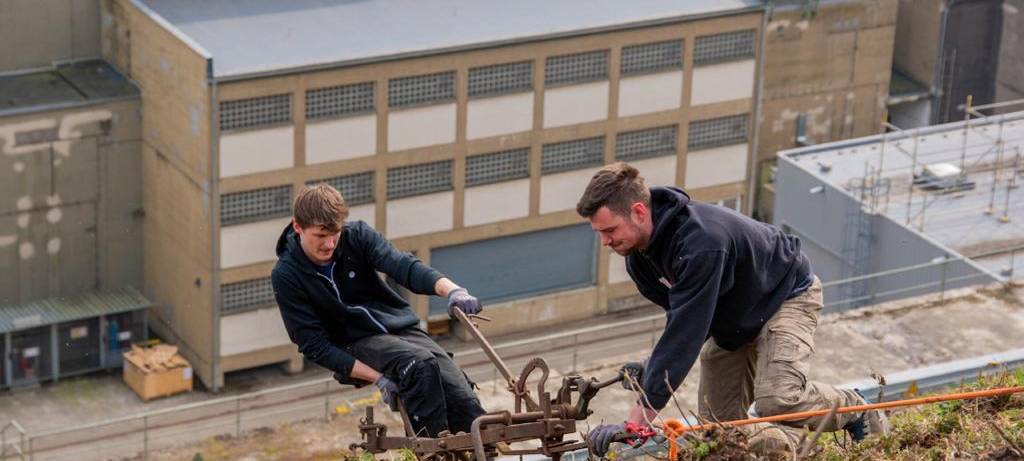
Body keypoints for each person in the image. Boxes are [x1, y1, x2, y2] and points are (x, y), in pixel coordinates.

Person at [577, 162, 889, 456]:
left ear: (639, 211)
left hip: (784, 296)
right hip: (733, 321)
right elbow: (684, 321)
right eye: (600, 233)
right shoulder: (639, 261)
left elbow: (687, 329)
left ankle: (855, 408)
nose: (606, 242)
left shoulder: (701, 241)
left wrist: (636, 422)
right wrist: (653, 366)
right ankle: (790, 445)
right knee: (718, 435)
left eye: (610, 230)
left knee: (778, 399)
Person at [272, 183, 486, 437]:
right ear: (298, 227)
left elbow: (402, 266)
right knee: (418, 365)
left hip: (399, 330)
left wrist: (453, 291)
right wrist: (378, 378)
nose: (329, 244)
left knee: (465, 401)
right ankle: (434, 450)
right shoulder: (287, 275)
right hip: (353, 342)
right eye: (320, 236)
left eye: (335, 234)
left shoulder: (358, 237)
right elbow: (314, 345)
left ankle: (484, 449)